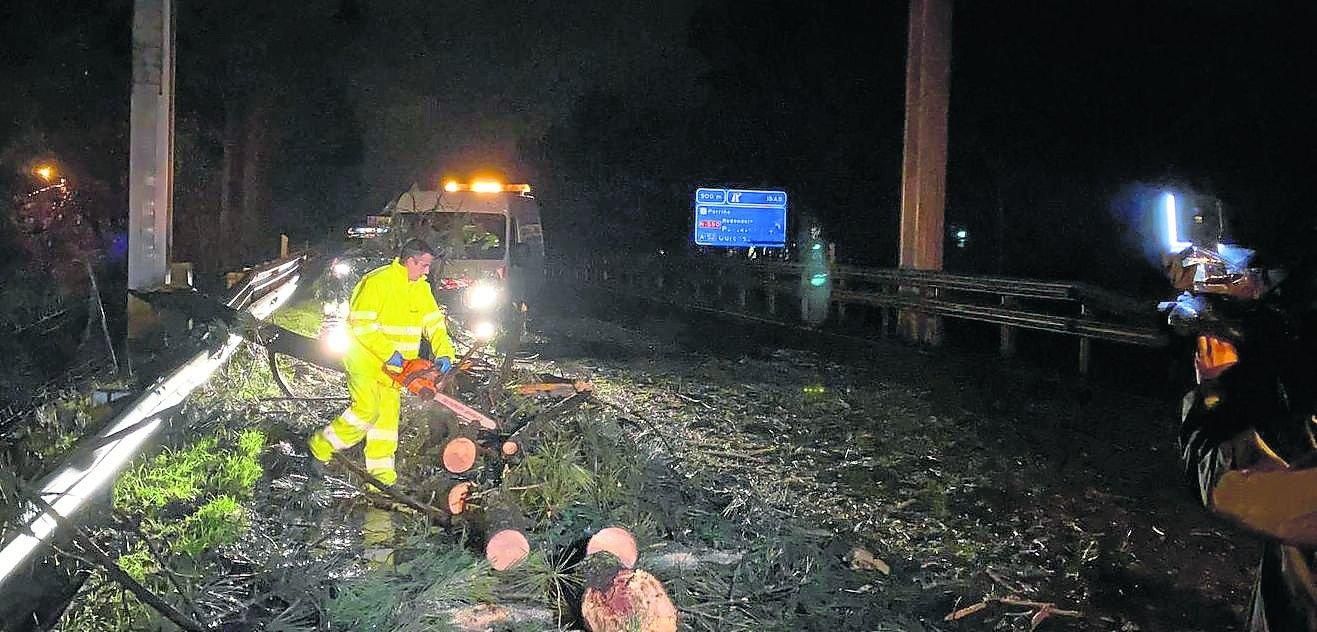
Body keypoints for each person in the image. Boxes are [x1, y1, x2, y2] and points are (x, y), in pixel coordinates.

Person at [307, 238, 456, 486]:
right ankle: (320, 448)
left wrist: (444, 354)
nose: (427, 271)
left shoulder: (421, 288)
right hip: (365, 361)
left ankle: (382, 479)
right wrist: (389, 353)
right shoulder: (377, 282)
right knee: (366, 411)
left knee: (386, 424)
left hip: (397, 370)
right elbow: (362, 325)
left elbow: (435, 325)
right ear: (410, 261)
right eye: (424, 265)